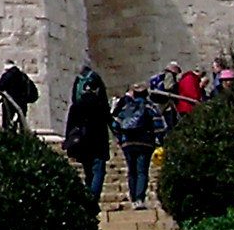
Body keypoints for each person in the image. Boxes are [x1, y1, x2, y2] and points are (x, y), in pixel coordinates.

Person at [62, 63, 110, 204]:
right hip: (98, 144)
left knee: (88, 172)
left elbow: (70, 127)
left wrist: (68, 143)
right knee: (98, 172)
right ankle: (92, 198)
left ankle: (88, 194)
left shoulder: (76, 106)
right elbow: (109, 120)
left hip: (82, 144)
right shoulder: (100, 105)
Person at [112, 88, 163, 207]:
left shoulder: (126, 108)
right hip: (145, 143)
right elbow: (158, 125)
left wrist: (120, 139)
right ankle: (140, 198)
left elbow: (115, 125)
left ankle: (133, 198)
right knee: (142, 171)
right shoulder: (150, 107)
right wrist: (160, 139)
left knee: (132, 171)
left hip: (128, 143)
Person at [0, 61, 38, 136]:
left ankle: (8, 136)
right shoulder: (23, 76)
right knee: (21, 121)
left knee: (7, 122)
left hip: (9, 102)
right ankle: (23, 136)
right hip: (22, 103)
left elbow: (0, 87)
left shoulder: (7, 75)